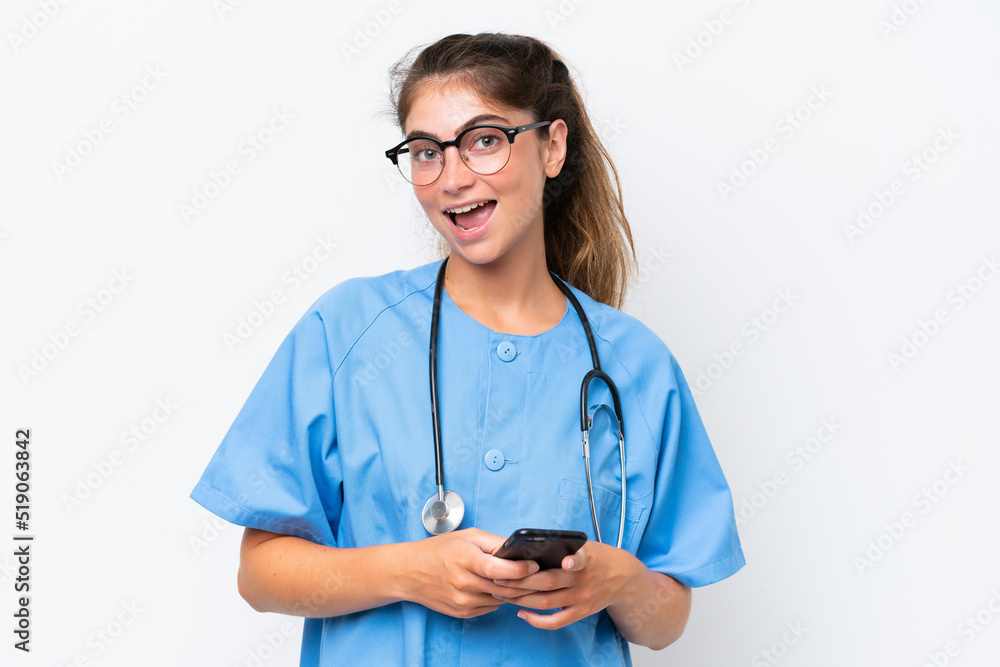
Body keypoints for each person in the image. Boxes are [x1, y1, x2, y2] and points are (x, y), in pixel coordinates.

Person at [190, 32, 745, 666]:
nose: (452, 178)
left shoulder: (634, 367)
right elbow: (259, 575)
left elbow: (665, 621)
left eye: (485, 141)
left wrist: (617, 581)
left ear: (553, 146)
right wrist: (409, 572)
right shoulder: (346, 331)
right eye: (426, 152)